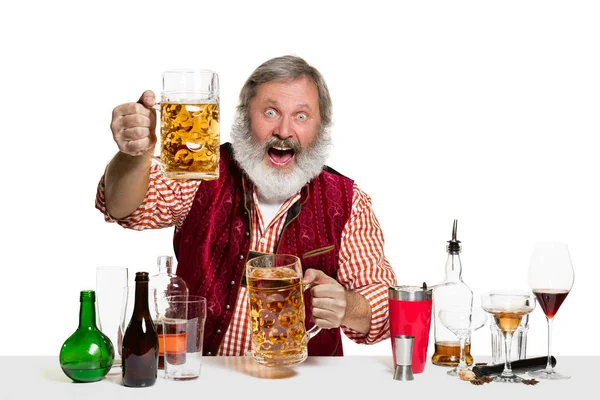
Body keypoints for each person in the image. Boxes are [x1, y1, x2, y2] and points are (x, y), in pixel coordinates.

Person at [96, 55, 397, 356]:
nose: (283, 130)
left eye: (301, 116)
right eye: (270, 112)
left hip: (300, 385)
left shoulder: (347, 200)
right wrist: (134, 155)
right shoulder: (202, 171)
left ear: (321, 127)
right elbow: (125, 208)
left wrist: (346, 306)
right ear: (244, 116)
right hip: (198, 380)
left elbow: (387, 306)